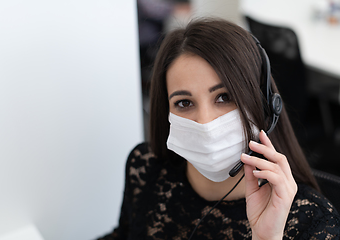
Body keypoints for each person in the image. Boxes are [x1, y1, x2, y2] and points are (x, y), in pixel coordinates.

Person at [97, 18, 340, 239]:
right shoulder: (145, 166)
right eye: (184, 103)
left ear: (266, 105)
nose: (205, 121)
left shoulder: (314, 222)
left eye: (224, 97)